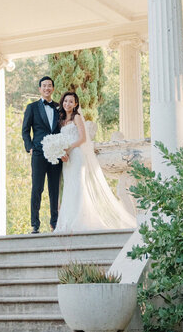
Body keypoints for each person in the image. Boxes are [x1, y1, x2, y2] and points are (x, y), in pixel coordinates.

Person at [53, 91, 136, 233]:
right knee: (69, 187)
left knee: (78, 186)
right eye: (66, 101)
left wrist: (69, 148)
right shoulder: (61, 120)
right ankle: (67, 221)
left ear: (76, 104)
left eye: (71, 101)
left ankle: (79, 221)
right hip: (67, 159)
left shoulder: (77, 117)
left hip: (77, 155)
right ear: (62, 102)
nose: (68, 104)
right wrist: (61, 152)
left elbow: (83, 138)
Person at [21, 75, 62, 233]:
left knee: (54, 188)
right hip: (38, 153)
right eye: (44, 86)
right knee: (37, 188)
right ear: (40, 89)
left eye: (49, 85)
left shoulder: (59, 107)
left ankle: (55, 222)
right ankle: (35, 224)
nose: (47, 88)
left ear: (53, 88)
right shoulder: (32, 107)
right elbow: (25, 131)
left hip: (56, 154)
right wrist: (29, 147)